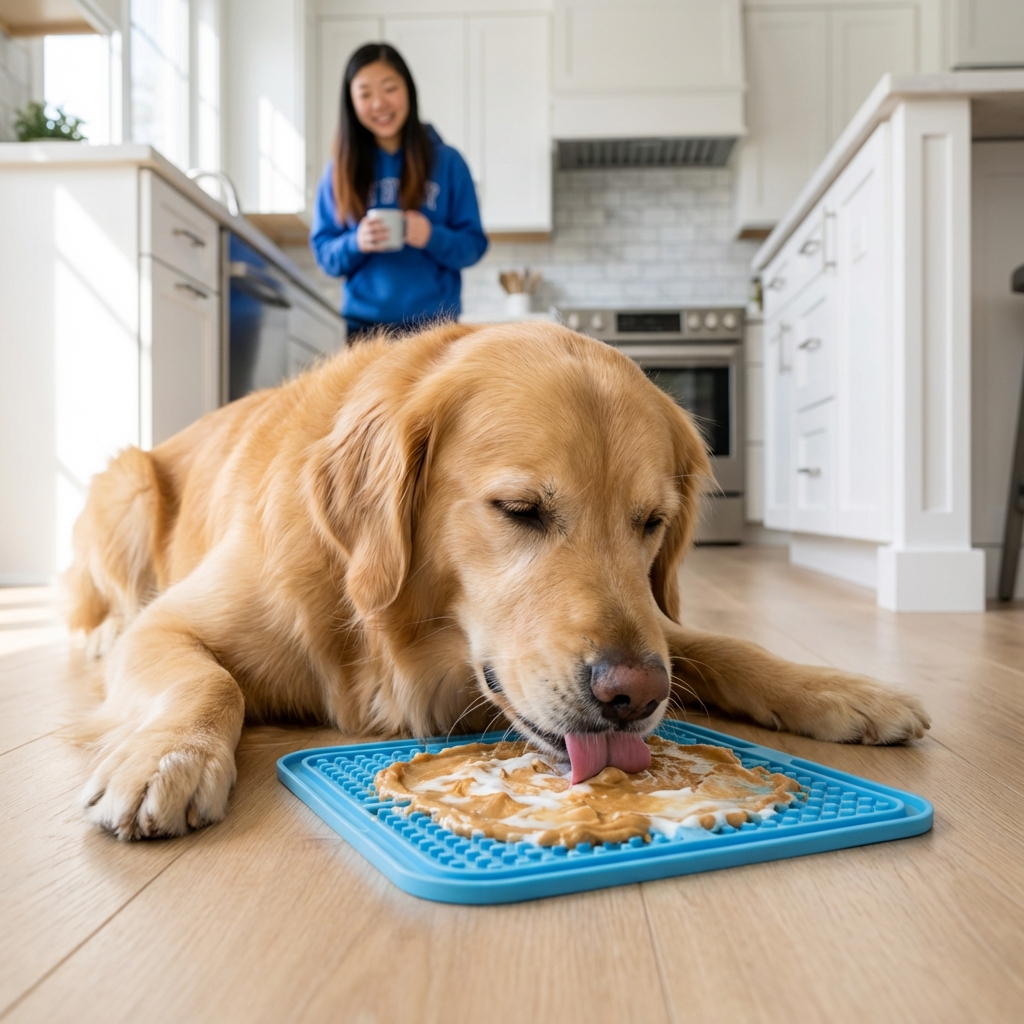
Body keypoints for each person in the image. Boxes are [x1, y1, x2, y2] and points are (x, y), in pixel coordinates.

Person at [310, 43, 488, 340]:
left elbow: (473, 245)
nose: (379, 104)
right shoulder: (339, 170)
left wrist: (432, 236)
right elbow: (325, 255)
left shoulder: (448, 163)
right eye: (365, 94)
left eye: (389, 88)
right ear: (351, 102)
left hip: (437, 332)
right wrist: (357, 241)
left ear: (408, 90)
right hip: (364, 333)